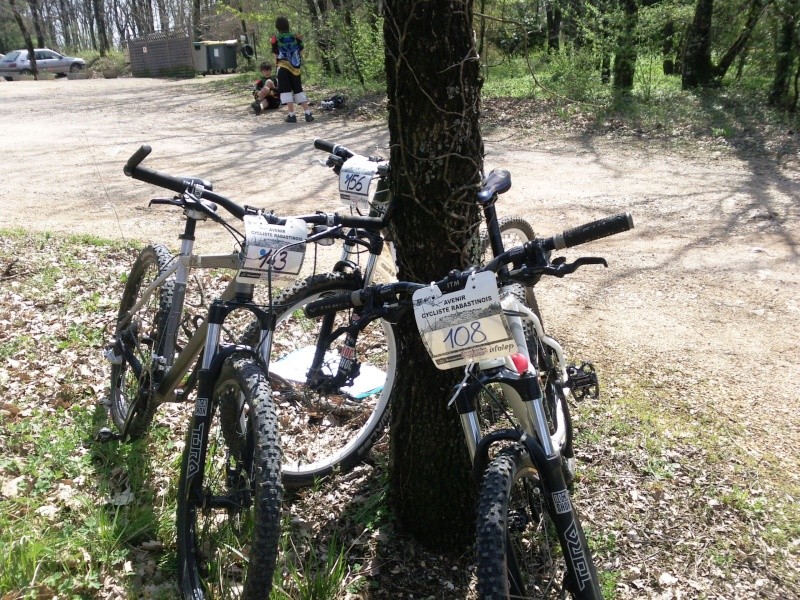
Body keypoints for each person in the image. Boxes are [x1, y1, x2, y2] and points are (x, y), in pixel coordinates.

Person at [271, 16, 314, 123]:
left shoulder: (275, 38)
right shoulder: (295, 36)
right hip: (295, 67)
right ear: (287, 25)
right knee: (298, 89)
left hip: (283, 66)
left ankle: (292, 115)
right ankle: (307, 113)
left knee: (286, 90)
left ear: (277, 26)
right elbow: (301, 49)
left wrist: (277, 65)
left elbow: (276, 53)